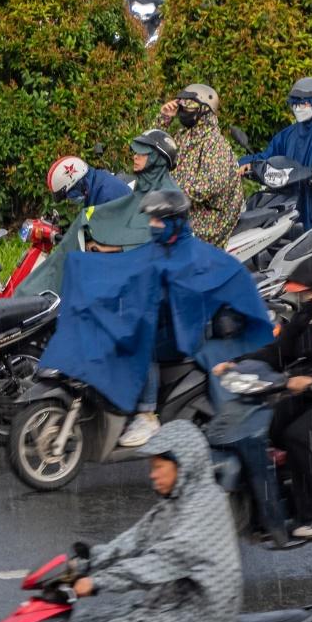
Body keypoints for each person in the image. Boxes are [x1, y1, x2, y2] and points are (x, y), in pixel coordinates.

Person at [40, 190, 272, 450]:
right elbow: (130, 267)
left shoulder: (195, 256)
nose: (152, 226)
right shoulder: (160, 248)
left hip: (185, 335)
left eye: (158, 221)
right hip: (161, 324)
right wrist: (87, 266)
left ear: (175, 222)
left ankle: (147, 414)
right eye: (150, 220)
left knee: (141, 341)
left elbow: (231, 275)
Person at [66, 421, 241, 622]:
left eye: (159, 467)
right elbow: (136, 538)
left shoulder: (205, 508)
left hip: (200, 614)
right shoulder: (178, 500)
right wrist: (91, 562)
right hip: (170, 600)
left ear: (183, 465)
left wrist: (99, 582)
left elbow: (160, 561)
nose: (152, 475)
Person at [214, 254, 312, 541]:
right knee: (270, 427)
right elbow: (278, 352)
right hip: (310, 394)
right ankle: (283, 500)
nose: (302, 295)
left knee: (301, 436)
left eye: (307, 289)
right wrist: (239, 363)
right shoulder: (306, 316)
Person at [19, 129, 181, 298]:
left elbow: (135, 235)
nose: (135, 156)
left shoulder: (111, 193)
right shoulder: (99, 186)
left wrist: (103, 247)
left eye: (142, 154)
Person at [154, 83, 241, 247]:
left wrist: (168, 196)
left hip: (207, 219)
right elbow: (153, 152)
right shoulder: (184, 136)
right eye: (181, 103)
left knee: (154, 234)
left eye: (189, 104)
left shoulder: (214, 143)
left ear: (205, 110)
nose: (183, 109)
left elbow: (209, 185)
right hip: (183, 211)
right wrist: (164, 119)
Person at [239, 77, 312, 230]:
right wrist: (247, 163)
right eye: (295, 103)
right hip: (288, 202)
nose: (298, 108)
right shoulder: (287, 135)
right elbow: (268, 156)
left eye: (304, 103)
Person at [47, 155, 131, 206]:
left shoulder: (105, 196)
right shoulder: (95, 184)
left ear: (77, 184)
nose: (69, 199)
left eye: (68, 194)